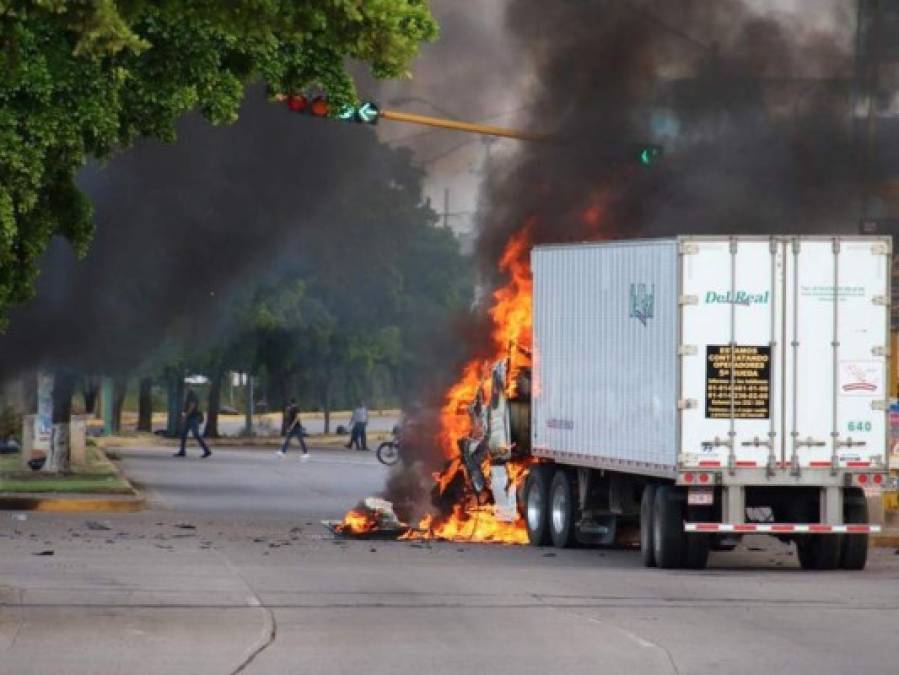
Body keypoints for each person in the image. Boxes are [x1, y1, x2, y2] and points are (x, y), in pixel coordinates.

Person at [174, 384, 212, 458]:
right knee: (183, 434)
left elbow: (192, 406)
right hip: (190, 417)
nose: (186, 387)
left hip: (194, 417)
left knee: (196, 434)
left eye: (187, 386)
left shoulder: (192, 394)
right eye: (185, 386)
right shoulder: (188, 395)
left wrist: (185, 416)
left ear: (190, 386)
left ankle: (207, 450)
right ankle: (182, 451)